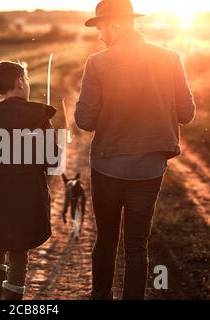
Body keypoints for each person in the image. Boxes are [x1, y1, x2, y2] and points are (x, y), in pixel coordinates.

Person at [74, 0, 196, 300]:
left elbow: (85, 120)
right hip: (150, 168)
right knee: (137, 245)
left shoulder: (97, 63)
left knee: (106, 239)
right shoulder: (170, 58)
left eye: (100, 28)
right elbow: (187, 113)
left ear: (114, 25)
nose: (100, 36)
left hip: (108, 166)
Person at [0, 61, 58, 300]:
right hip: (26, 203)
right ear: (20, 83)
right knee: (19, 256)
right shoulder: (39, 116)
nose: (27, 84)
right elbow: (53, 160)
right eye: (26, 80)